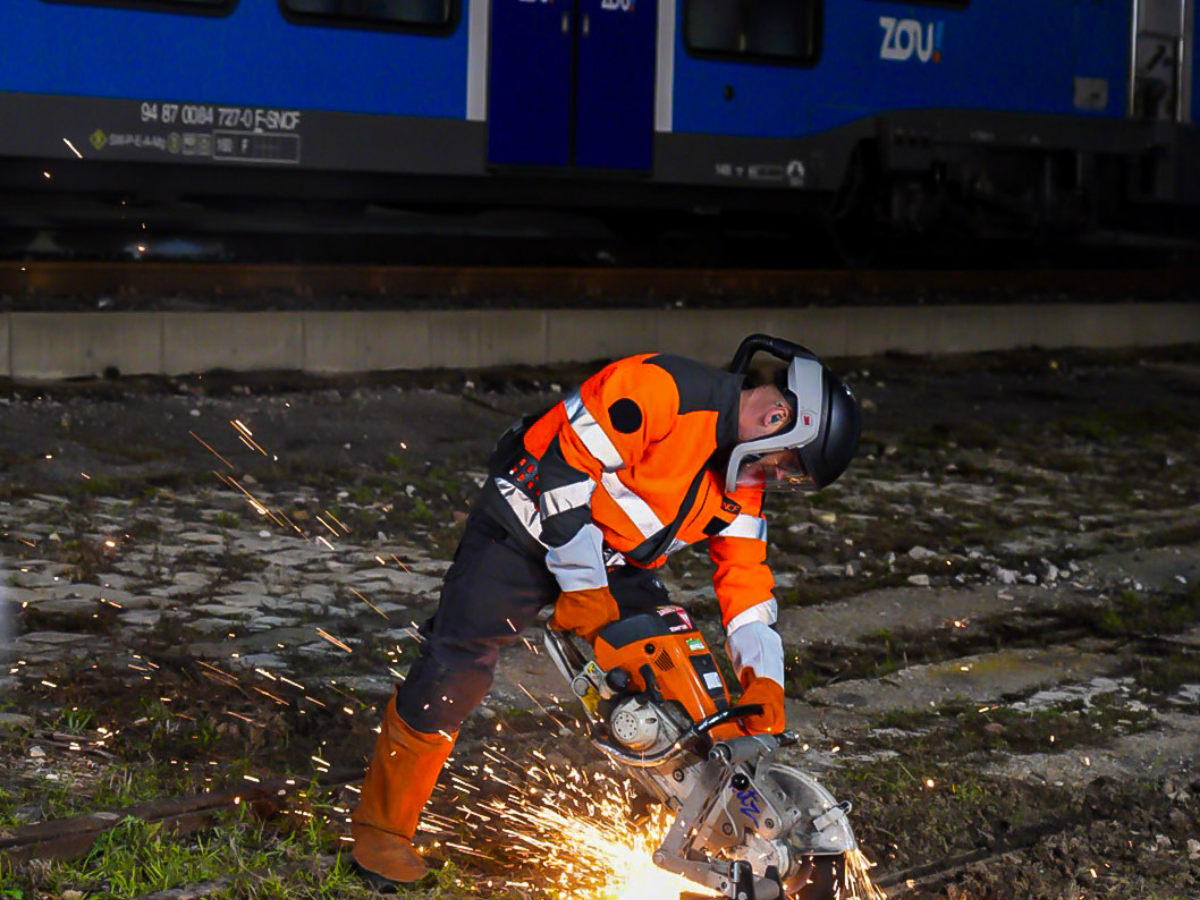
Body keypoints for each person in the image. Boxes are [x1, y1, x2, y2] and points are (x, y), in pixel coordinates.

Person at [348, 335, 862, 887]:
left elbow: (746, 582)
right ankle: (383, 832)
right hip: (523, 523)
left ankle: (707, 844)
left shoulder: (742, 485)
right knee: (458, 664)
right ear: (780, 416)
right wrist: (585, 592)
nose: (781, 475)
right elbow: (564, 472)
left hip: (613, 560)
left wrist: (763, 683)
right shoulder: (659, 388)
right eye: (790, 462)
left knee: (673, 674)